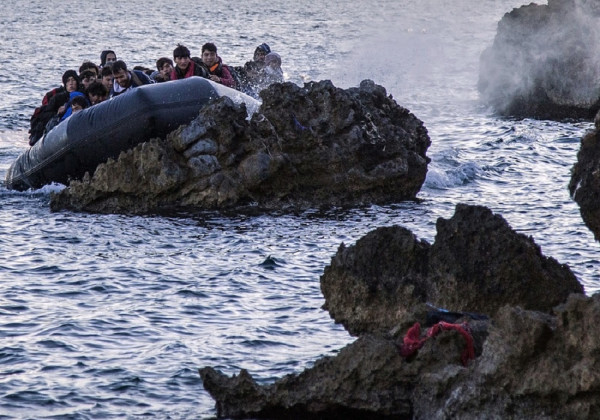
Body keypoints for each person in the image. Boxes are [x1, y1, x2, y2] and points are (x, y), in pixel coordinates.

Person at [29, 70, 82, 145]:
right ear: (65, 84)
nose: (71, 83)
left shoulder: (82, 95)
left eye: (73, 80)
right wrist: (58, 113)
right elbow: (46, 114)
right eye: (68, 81)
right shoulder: (57, 98)